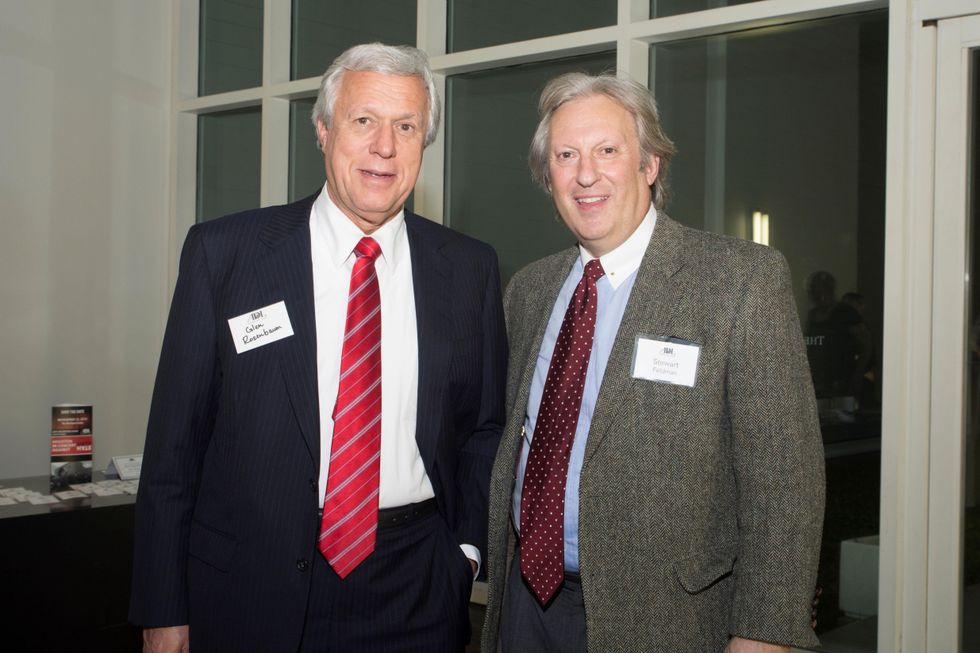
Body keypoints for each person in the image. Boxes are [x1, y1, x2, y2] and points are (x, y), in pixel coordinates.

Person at [129, 43, 506, 653]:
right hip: (250, 586)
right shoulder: (225, 255)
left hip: (415, 588)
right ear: (324, 130)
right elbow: (173, 449)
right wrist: (162, 607)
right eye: (364, 121)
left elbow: (483, 430)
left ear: (423, 144)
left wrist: (462, 554)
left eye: (406, 126)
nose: (384, 146)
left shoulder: (469, 269)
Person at [481, 73, 825, 653]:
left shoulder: (739, 281)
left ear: (650, 165)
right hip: (524, 607)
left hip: (669, 620)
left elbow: (785, 483)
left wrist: (765, 633)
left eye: (607, 151)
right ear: (548, 177)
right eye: (566, 156)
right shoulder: (530, 290)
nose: (586, 174)